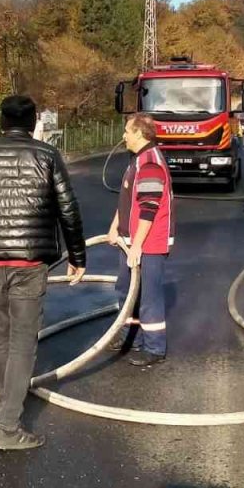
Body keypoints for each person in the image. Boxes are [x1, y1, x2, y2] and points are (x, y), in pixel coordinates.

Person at [0, 94, 87, 452]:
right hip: (30, 262)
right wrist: (78, 255)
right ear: (33, 120)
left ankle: (4, 402)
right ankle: (9, 426)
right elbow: (67, 209)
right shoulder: (47, 156)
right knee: (23, 341)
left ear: (2, 122)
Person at [106, 113, 175, 368]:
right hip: (130, 241)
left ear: (139, 133)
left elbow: (149, 208)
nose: (123, 136)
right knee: (125, 290)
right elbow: (127, 199)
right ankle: (129, 337)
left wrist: (138, 245)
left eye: (127, 131)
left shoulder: (150, 164)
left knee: (149, 296)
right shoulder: (137, 160)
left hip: (148, 244)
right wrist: (115, 227)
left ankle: (154, 347)